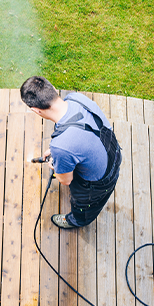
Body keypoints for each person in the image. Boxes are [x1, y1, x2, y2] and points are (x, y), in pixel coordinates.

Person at [20, 76, 121, 229]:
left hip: (99, 183)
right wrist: (61, 153)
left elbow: (65, 180)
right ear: (53, 88)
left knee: (85, 207)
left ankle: (77, 220)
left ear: (36, 111)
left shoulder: (61, 146)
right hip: (113, 153)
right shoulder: (76, 98)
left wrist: (58, 162)